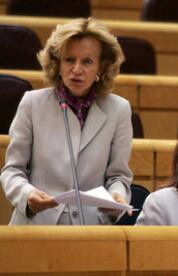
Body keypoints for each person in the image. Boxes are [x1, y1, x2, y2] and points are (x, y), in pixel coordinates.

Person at [1, 17, 133, 225]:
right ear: (57, 63)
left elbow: (119, 176)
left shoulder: (119, 110)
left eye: (87, 61)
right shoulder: (32, 103)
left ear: (101, 67)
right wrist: (27, 195)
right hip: (37, 226)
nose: (77, 69)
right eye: (69, 60)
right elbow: (13, 170)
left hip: (89, 229)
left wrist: (116, 197)